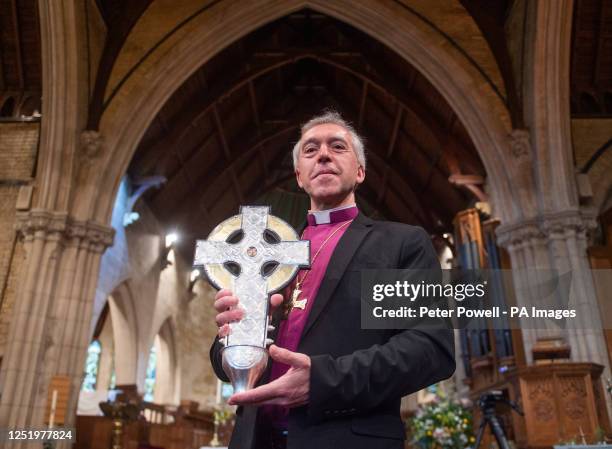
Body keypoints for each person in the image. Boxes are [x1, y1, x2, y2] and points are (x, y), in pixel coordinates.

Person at [210, 110, 455, 449]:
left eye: (337, 146)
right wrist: (231, 338)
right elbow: (233, 363)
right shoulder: (268, 256)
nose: (323, 154)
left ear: (360, 171)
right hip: (256, 440)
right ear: (299, 175)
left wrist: (324, 381)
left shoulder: (399, 243)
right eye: (310, 150)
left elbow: (430, 350)